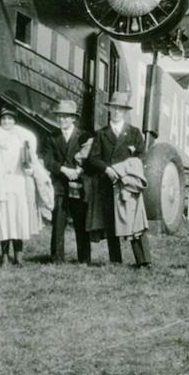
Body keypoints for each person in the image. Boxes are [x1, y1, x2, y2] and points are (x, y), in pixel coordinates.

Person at [84, 91, 152, 267]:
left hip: (128, 185)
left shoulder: (134, 133)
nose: (116, 112)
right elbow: (93, 158)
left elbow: (142, 156)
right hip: (108, 184)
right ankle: (115, 261)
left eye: (120, 109)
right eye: (114, 108)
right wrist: (106, 169)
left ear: (125, 112)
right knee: (111, 222)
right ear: (109, 110)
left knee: (135, 222)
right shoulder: (101, 134)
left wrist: (125, 170)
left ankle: (143, 261)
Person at [0, 107, 42, 265]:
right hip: (0, 185)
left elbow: (30, 160)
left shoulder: (22, 137)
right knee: (3, 220)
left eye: (10, 119)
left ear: (15, 120)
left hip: (19, 184)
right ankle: (4, 255)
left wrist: (30, 170)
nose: (7, 122)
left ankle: (18, 255)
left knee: (18, 219)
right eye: (4, 119)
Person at [42, 99, 92, 264]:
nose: (62, 120)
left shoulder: (83, 136)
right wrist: (64, 170)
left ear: (73, 119)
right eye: (60, 116)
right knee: (58, 222)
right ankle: (57, 258)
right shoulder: (51, 136)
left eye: (66, 117)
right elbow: (48, 161)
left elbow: (90, 159)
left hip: (78, 185)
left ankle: (84, 259)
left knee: (80, 222)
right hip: (59, 186)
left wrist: (78, 171)